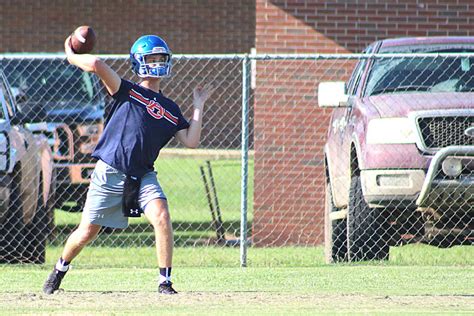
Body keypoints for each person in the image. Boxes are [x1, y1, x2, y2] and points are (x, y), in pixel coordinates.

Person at [43, 34, 214, 295]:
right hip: (110, 171)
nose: (156, 63)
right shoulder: (127, 90)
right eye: (151, 58)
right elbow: (98, 64)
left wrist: (198, 107)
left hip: (143, 175)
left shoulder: (170, 108)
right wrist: (71, 56)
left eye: (160, 58)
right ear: (138, 62)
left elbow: (191, 141)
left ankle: (164, 282)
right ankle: (59, 270)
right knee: (87, 231)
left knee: (162, 216)